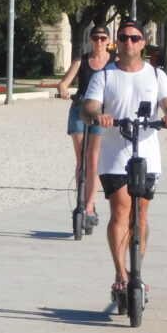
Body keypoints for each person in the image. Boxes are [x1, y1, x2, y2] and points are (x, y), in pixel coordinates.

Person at [81, 20, 167, 295]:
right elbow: (87, 108)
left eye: (134, 38)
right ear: (117, 42)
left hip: (147, 154)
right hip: (115, 155)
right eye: (123, 38)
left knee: (141, 214)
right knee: (121, 210)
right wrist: (97, 115)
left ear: (142, 43)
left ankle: (137, 270)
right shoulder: (105, 76)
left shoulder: (156, 75)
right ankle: (121, 273)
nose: (128, 43)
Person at [56, 25, 114, 225]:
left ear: (108, 40)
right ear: (91, 40)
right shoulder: (82, 61)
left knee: (94, 159)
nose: (99, 41)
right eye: (96, 38)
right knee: (81, 158)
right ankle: (81, 197)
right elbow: (64, 83)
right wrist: (64, 90)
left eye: (103, 38)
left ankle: (90, 206)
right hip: (79, 110)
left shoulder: (114, 63)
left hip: (100, 114)